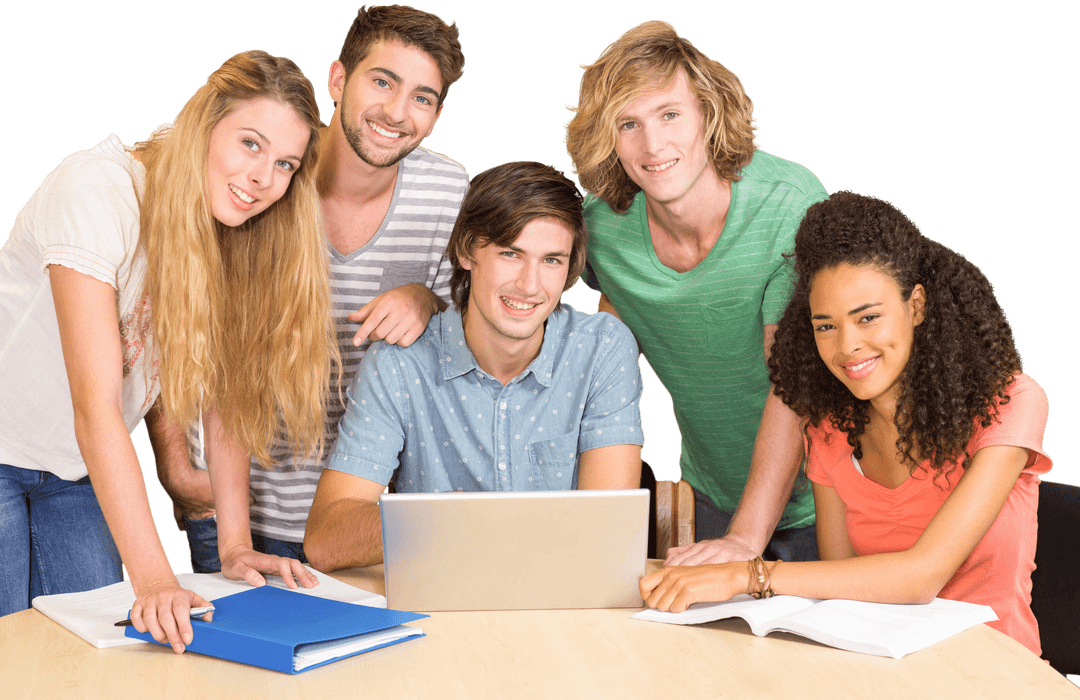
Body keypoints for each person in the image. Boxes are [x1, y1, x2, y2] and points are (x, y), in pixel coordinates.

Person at [0, 50, 333, 652]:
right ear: (205, 125)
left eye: (285, 163)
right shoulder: (95, 191)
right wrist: (154, 580)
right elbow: (96, 407)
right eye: (250, 144)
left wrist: (232, 544)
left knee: (100, 654)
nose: (263, 178)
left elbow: (225, 393)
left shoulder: (230, 221)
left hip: (70, 472)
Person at [640, 191, 1052, 657]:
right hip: (881, 669)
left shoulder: (1010, 402)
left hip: (993, 671)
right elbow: (841, 583)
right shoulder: (830, 427)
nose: (847, 346)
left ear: (916, 306)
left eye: (868, 318)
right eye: (825, 326)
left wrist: (746, 575)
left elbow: (922, 576)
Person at [153, 4, 470, 572]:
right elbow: (168, 308)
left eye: (422, 97)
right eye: (382, 81)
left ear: (438, 114)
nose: (396, 113)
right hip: (234, 506)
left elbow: (465, 346)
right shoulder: (258, 175)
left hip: (362, 516)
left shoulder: (447, 191)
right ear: (338, 80)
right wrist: (176, 465)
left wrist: (428, 300)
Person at [564, 20, 826, 566]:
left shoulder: (787, 206)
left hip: (828, 502)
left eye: (669, 114)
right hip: (711, 494)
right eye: (627, 124)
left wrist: (746, 541)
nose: (652, 145)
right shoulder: (603, 231)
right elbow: (590, 319)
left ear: (708, 113)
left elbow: (794, 384)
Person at [303, 161, 644, 571]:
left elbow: (605, 537)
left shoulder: (601, 350)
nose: (530, 285)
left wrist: (472, 526)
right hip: (438, 614)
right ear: (466, 251)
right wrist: (453, 523)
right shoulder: (399, 363)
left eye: (551, 260)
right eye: (509, 254)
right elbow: (325, 539)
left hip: (561, 609)